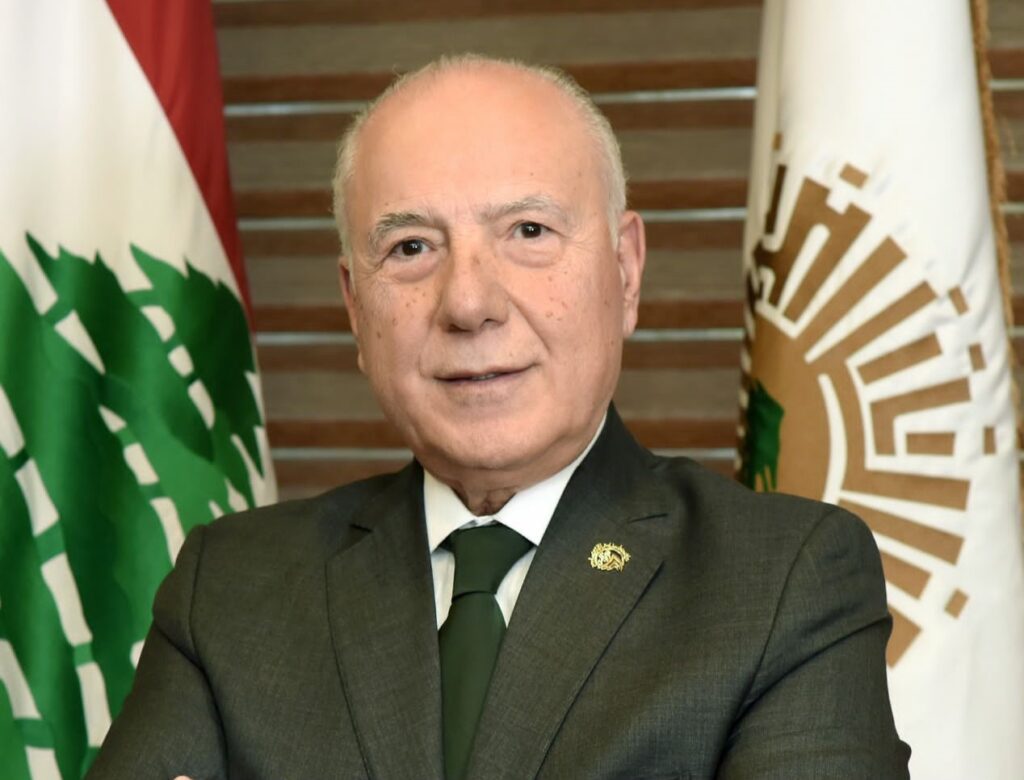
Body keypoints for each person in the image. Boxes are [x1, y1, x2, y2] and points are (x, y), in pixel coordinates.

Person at [89, 54, 910, 779]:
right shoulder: (230, 590)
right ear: (354, 307)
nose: (469, 303)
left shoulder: (784, 580)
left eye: (528, 231)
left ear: (625, 272)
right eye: (412, 247)